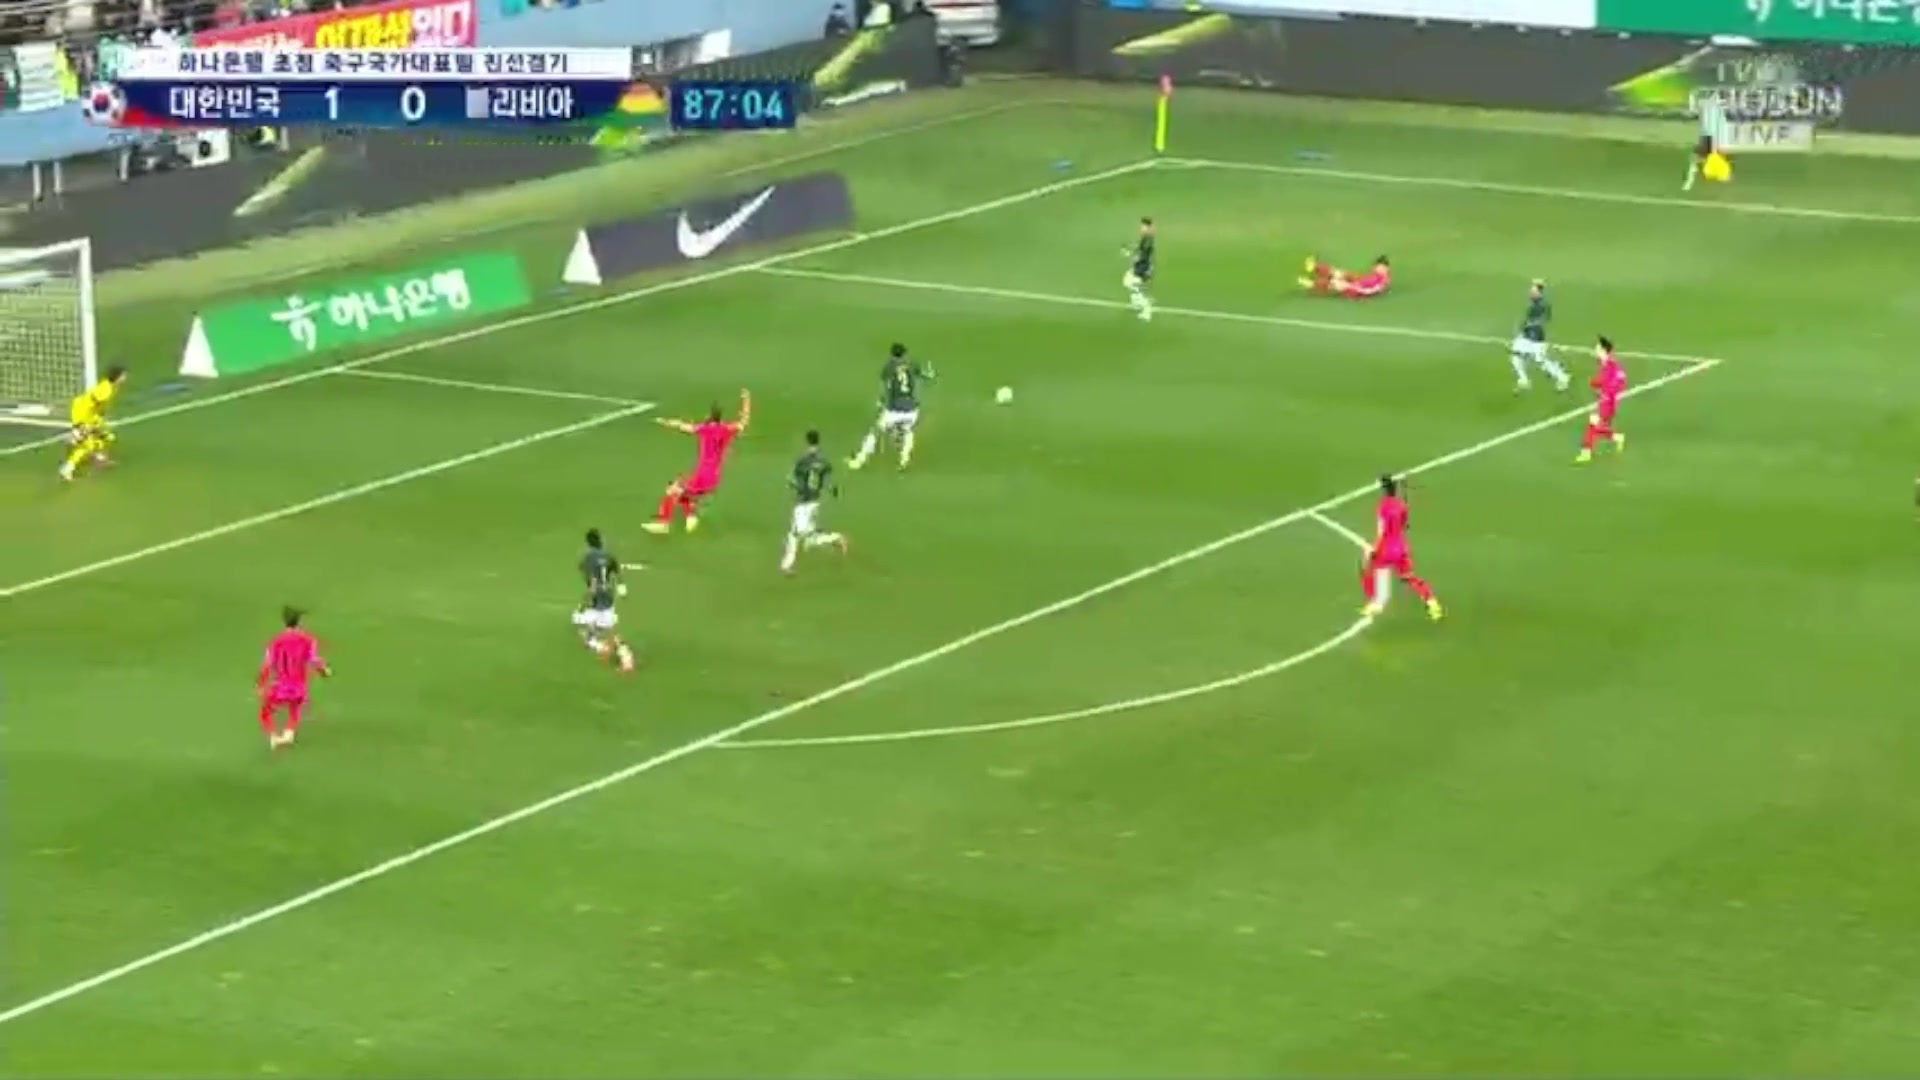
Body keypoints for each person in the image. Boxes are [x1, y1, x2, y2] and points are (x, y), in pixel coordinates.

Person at [645, 389, 750, 533]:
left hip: (702, 476)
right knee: (683, 490)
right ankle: (690, 518)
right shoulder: (727, 429)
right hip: (714, 477)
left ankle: (663, 524)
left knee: (672, 491)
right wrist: (746, 400)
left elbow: (682, 426)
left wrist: (665, 422)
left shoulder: (704, 429)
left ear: (710, 417)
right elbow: (744, 421)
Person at [1361, 475, 1443, 622]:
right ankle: (1432, 603)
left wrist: (1374, 549)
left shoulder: (1382, 507)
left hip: (1386, 549)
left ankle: (1376, 604)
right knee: (1410, 577)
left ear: (1383, 490)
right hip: (1401, 548)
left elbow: (1381, 531)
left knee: (1369, 568)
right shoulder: (1401, 505)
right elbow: (1404, 525)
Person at [850, 343, 933, 471]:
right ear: (904, 353)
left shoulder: (889, 366)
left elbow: (885, 386)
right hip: (911, 409)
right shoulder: (912, 363)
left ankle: (860, 460)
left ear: (892, 354)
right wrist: (930, 374)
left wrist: (881, 401)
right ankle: (904, 459)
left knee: (876, 431)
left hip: (894, 409)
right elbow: (925, 375)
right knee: (908, 431)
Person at [258, 606, 329, 749]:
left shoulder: (275, 642)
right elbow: (314, 660)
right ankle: (288, 733)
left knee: (265, 713)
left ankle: (273, 737)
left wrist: (261, 685)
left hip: (280, 687)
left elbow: (267, 665)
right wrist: (324, 671)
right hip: (298, 688)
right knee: (295, 710)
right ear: (299, 622)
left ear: (285, 622)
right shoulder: (308, 640)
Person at [782, 430, 848, 574]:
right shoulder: (824, 462)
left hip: (803, 502)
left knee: (798, 535)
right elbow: (828, 482)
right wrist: (833, 491)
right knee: (804, 538)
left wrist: (794, 486)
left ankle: (835, 538)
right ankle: (787, 565)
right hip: (815, 501)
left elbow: (791, 480)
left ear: (806, 441)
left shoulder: (802, 461)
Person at [572, 528, 635, 671]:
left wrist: (584, 602)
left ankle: (621, 655)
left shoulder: (588, 558)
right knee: (598, 628)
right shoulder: (608, 555)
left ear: (588, 543)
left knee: (584, 626)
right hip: (608, 595)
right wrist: (622, 590)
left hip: (597, 597)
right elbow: (617, 572)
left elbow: (593, 583)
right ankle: (609, 649)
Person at [59, 364, 127, 482]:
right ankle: (66, 469)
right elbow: (93, 403)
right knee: (86, 445)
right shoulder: (105, 390)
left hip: (90, 415)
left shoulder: (110, 386)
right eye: (123, 375)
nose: (125, 378)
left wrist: (99, 419)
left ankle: (99, 458)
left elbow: (98, 405)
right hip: (82, 414)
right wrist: (90, 424)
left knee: (107, 437)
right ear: (117, 377)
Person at [1508, 279, 1570, 393]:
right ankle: (1524, 380)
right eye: (1531, 291)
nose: (1531, 293)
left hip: (1536, 337)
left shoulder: (1543, 305)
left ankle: (1562, 377)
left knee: (1541, 361)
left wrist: (1532, 324)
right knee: (1516, 356)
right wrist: (1521, 330)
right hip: (1526, 335)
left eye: (1533, 291)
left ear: (1539, 292)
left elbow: (1545, 319)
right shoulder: (1532, 304)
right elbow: (1527, 320)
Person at [1576, 336, 1628, 464]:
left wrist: (1604, 389)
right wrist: (1597, 385)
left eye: (1598, 347)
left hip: (1608, 402)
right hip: (1604, 399)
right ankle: (1617, 437)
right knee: (1596, 426)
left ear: (1604, 350)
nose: (1595, 349)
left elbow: (1620, 380)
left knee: (1592, 425)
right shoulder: (1603, 363)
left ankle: (1586, 453)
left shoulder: (1612, 365)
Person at [1300, 255, 1390, 299]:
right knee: (1340, 273)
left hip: (1355, 291)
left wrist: (1348, 285)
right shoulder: (1381, 276)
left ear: (1385, 268)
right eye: (1377, 266)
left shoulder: (1380, 282)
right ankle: (1314, 267)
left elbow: (1368, 291)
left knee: (1334, 283)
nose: (1376, 268)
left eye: (1380, 267)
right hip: (1358, 281)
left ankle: (1311, 284)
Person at [1123, 217, 1155, 321]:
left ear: (1147, 227)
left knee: (1132, 284)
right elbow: (1139, 248)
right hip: (1141, 266)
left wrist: (1133, 256)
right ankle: (1138, 303)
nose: (1141, 228)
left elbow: (1143, 254)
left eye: (1143, 226)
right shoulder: (1146, 237)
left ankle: (1146, 309)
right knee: (1129, 282)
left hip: (1143, 267)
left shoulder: (1148, 239)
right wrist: (1131, 251)